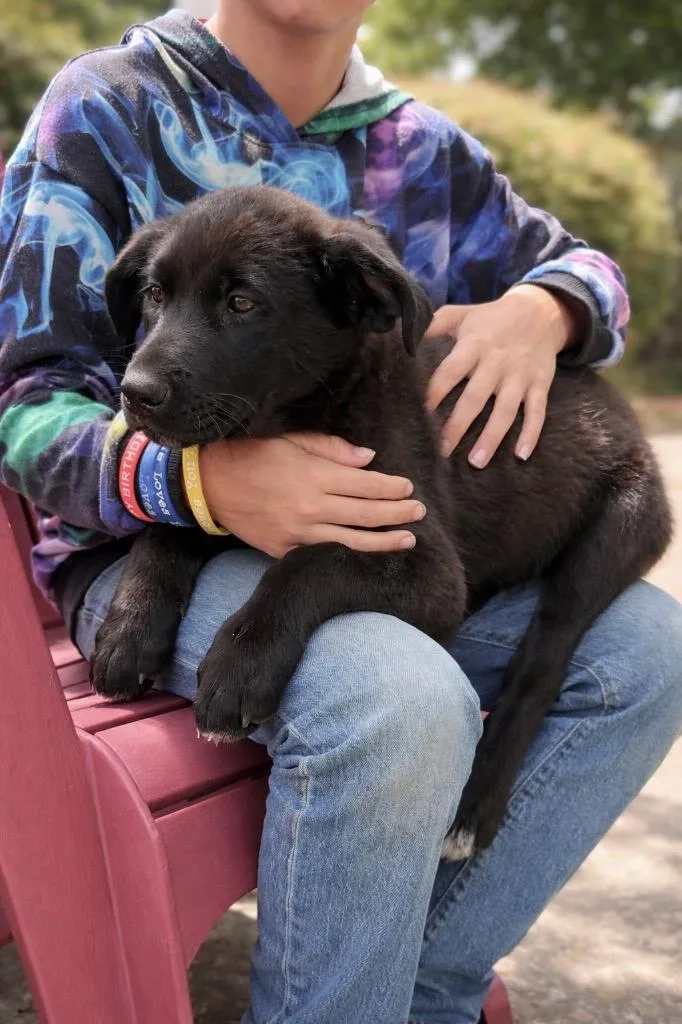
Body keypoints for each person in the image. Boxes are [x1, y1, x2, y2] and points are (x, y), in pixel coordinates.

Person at [1, 3, 681, 1021]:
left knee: (645, 653)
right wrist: (200, 488)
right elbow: (23, 410)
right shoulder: (109, 107)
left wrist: (546, 308)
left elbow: (588, 271)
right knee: (399, 694)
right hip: (133, 552)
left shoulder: (422, 151)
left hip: (368, 545)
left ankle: (420, 996)